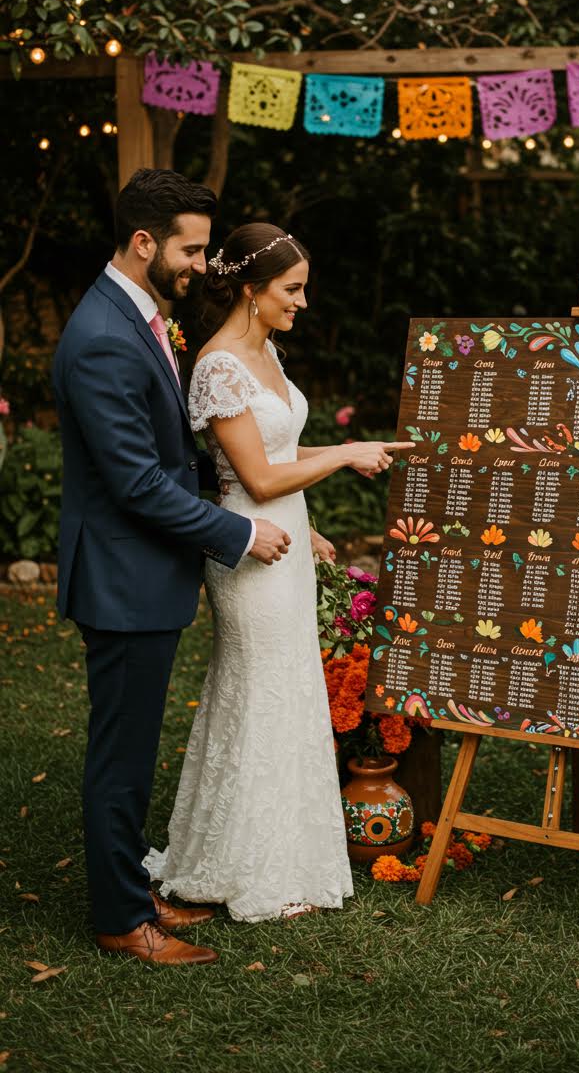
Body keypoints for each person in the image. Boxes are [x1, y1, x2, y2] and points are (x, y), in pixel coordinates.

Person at [53, 168, 293, 965]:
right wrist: (236, 530)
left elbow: (169, 455)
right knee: (120, 758)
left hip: (143, 574)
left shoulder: (140, 316)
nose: (201, 264)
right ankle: (122, 921)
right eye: (190, 249)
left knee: (134, 748)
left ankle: (133, 890)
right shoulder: (98, 338)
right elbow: (136, 482)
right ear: (144, 242)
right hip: (122, 581)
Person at [144, 222, 413, 922]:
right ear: (250, 289)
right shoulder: (218, 365)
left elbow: (279, 450)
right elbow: (256, 480)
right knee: (256, 690)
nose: (301, 303)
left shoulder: (268, 352)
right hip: (248, 551)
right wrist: (346, 452)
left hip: (287, 541)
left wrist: (312, 522)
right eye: (291, 290)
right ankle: (239, 865)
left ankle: (286, 856)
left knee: (290, 690)